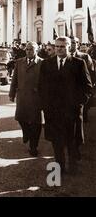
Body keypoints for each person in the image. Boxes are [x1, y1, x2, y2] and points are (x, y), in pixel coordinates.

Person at [38, 36, 92, 175]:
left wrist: (79, 104)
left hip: (72, 112)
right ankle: (59, 168)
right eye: (57, 46)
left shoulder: (78, 63)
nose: (59, 49)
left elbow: (87, 87)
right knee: (57, 142)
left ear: (69, 47)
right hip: (53, 112)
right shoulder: (46, 64)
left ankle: (73, 166)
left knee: (72, 142)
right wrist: (45, 106)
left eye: (62, 46)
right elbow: (41, 87)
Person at [9, 42, 43, 157]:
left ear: (37, 50)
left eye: (31, 49)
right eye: (27, 49)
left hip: (36, 98)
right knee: (21, 118)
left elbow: (46, 82)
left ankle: (33, 147)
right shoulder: (19, 62)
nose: (29, 51)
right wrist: (12, 93)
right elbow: (14, 79)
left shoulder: (42, 63)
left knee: (36, 123)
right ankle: (26, 132)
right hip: (22, 96)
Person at [70, 36, 95, 123]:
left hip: (80, 92)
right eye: (70, 42)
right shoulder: (62, 57)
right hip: (67, 93)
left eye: (74, 42)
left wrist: (86, 92)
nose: (71, 45)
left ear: (78, 44)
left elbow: (91, 74)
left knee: (80, 119)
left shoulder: (84, 56)